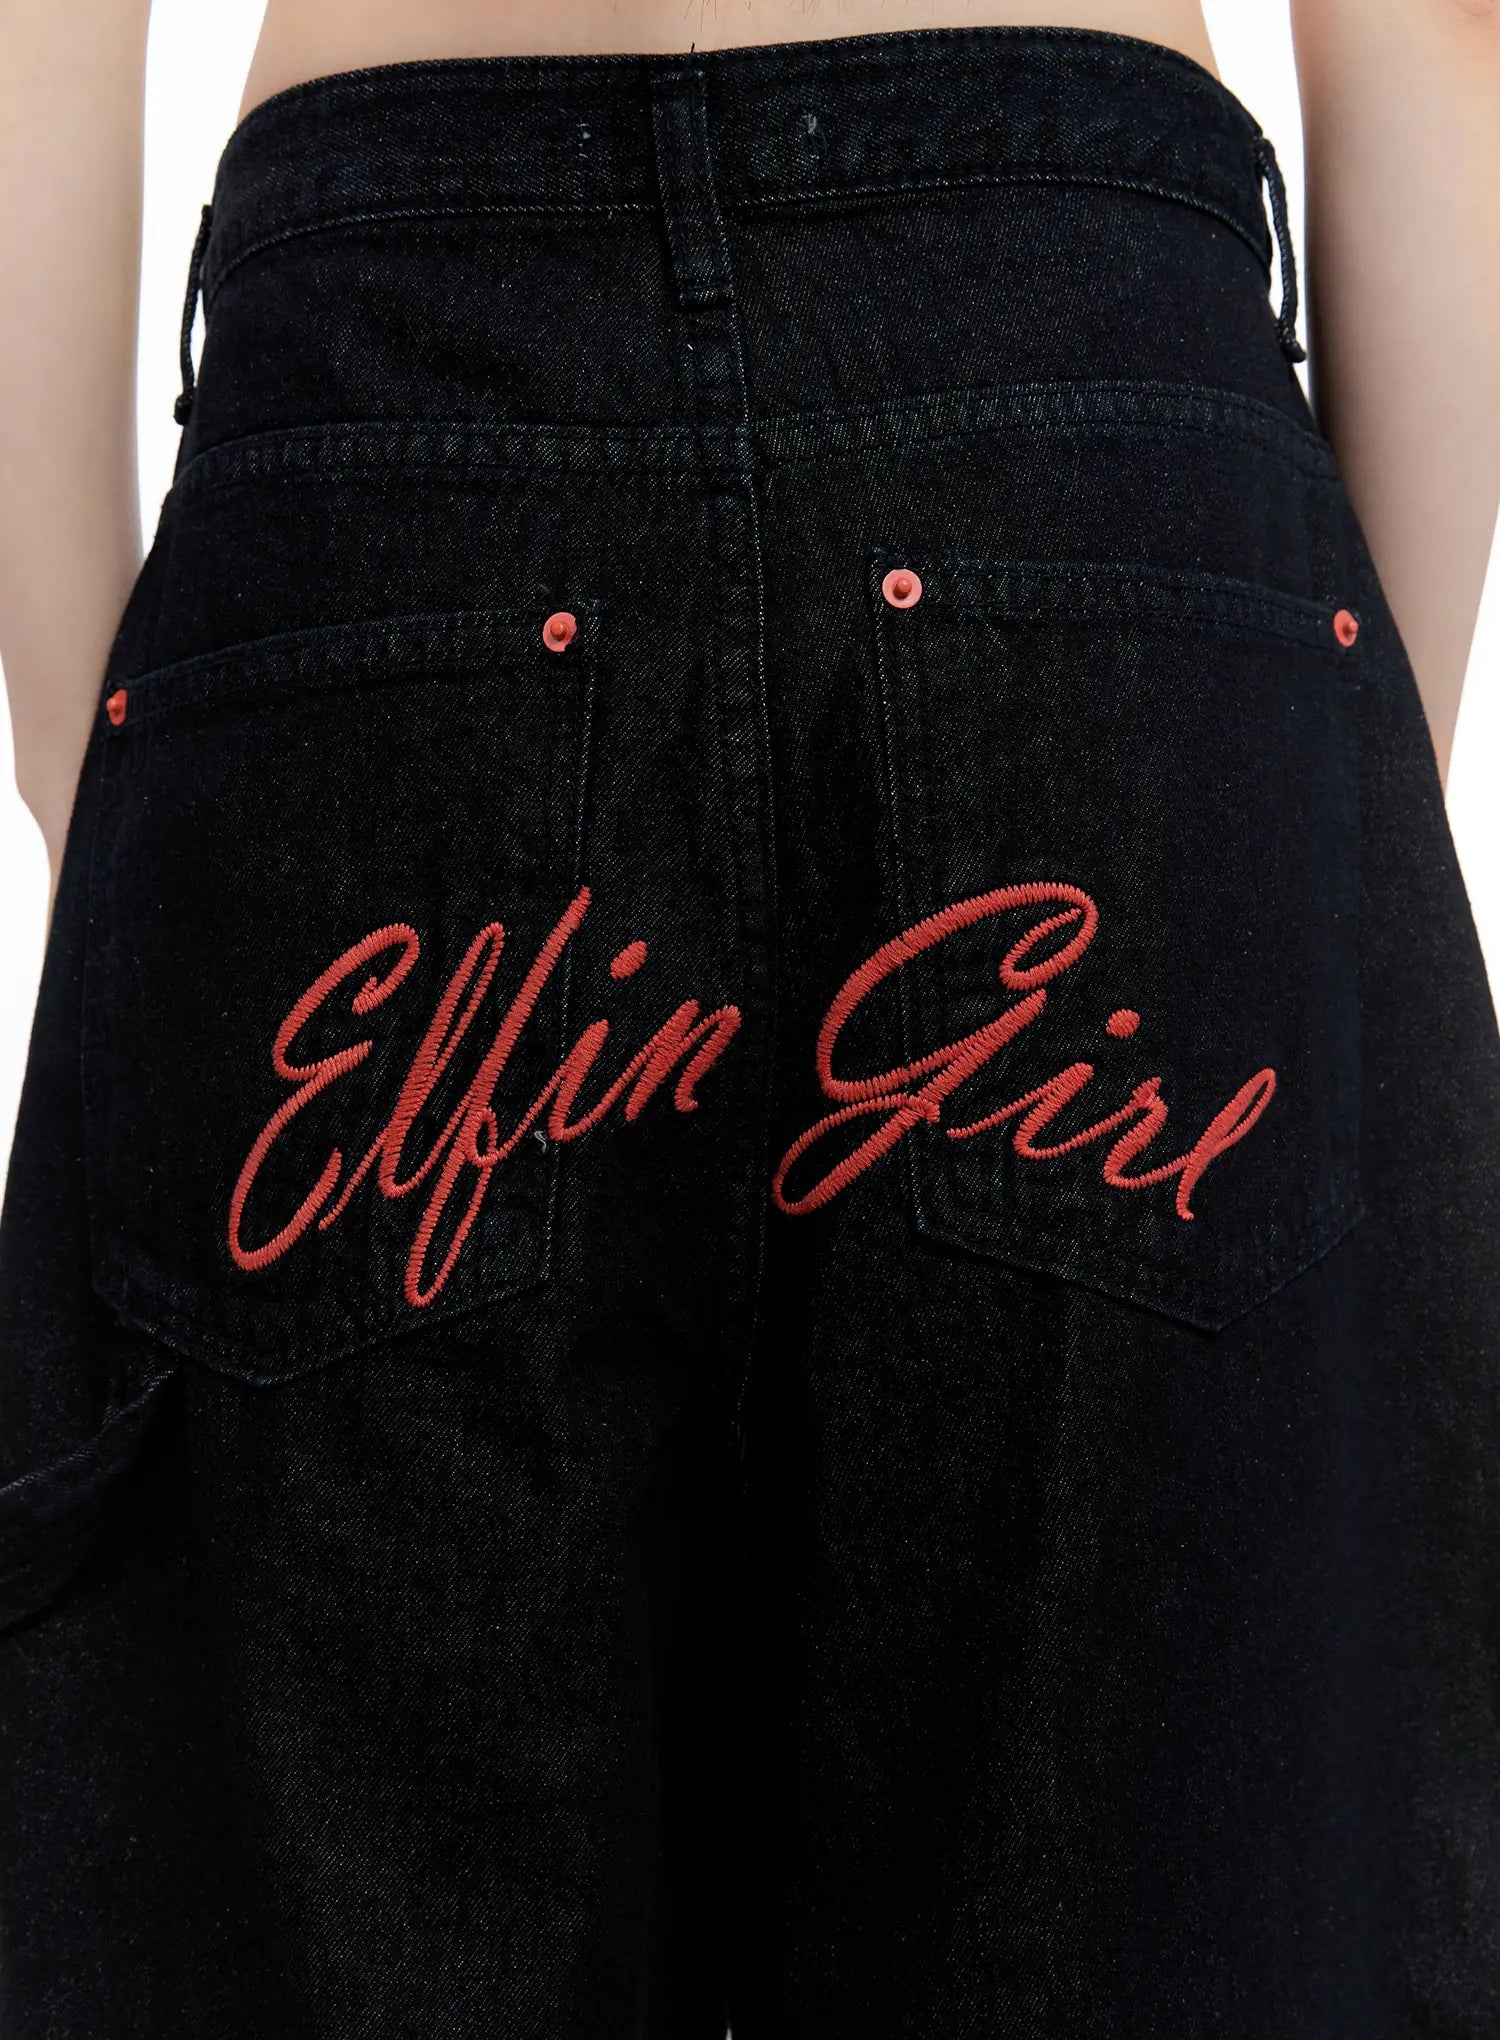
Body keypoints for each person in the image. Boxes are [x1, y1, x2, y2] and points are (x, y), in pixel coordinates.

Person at [0, 2, 1496, 2034]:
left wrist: (110, 769)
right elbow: (1439, 33)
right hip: (1104, 480)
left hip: (376, 514)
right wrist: (1328, 775)